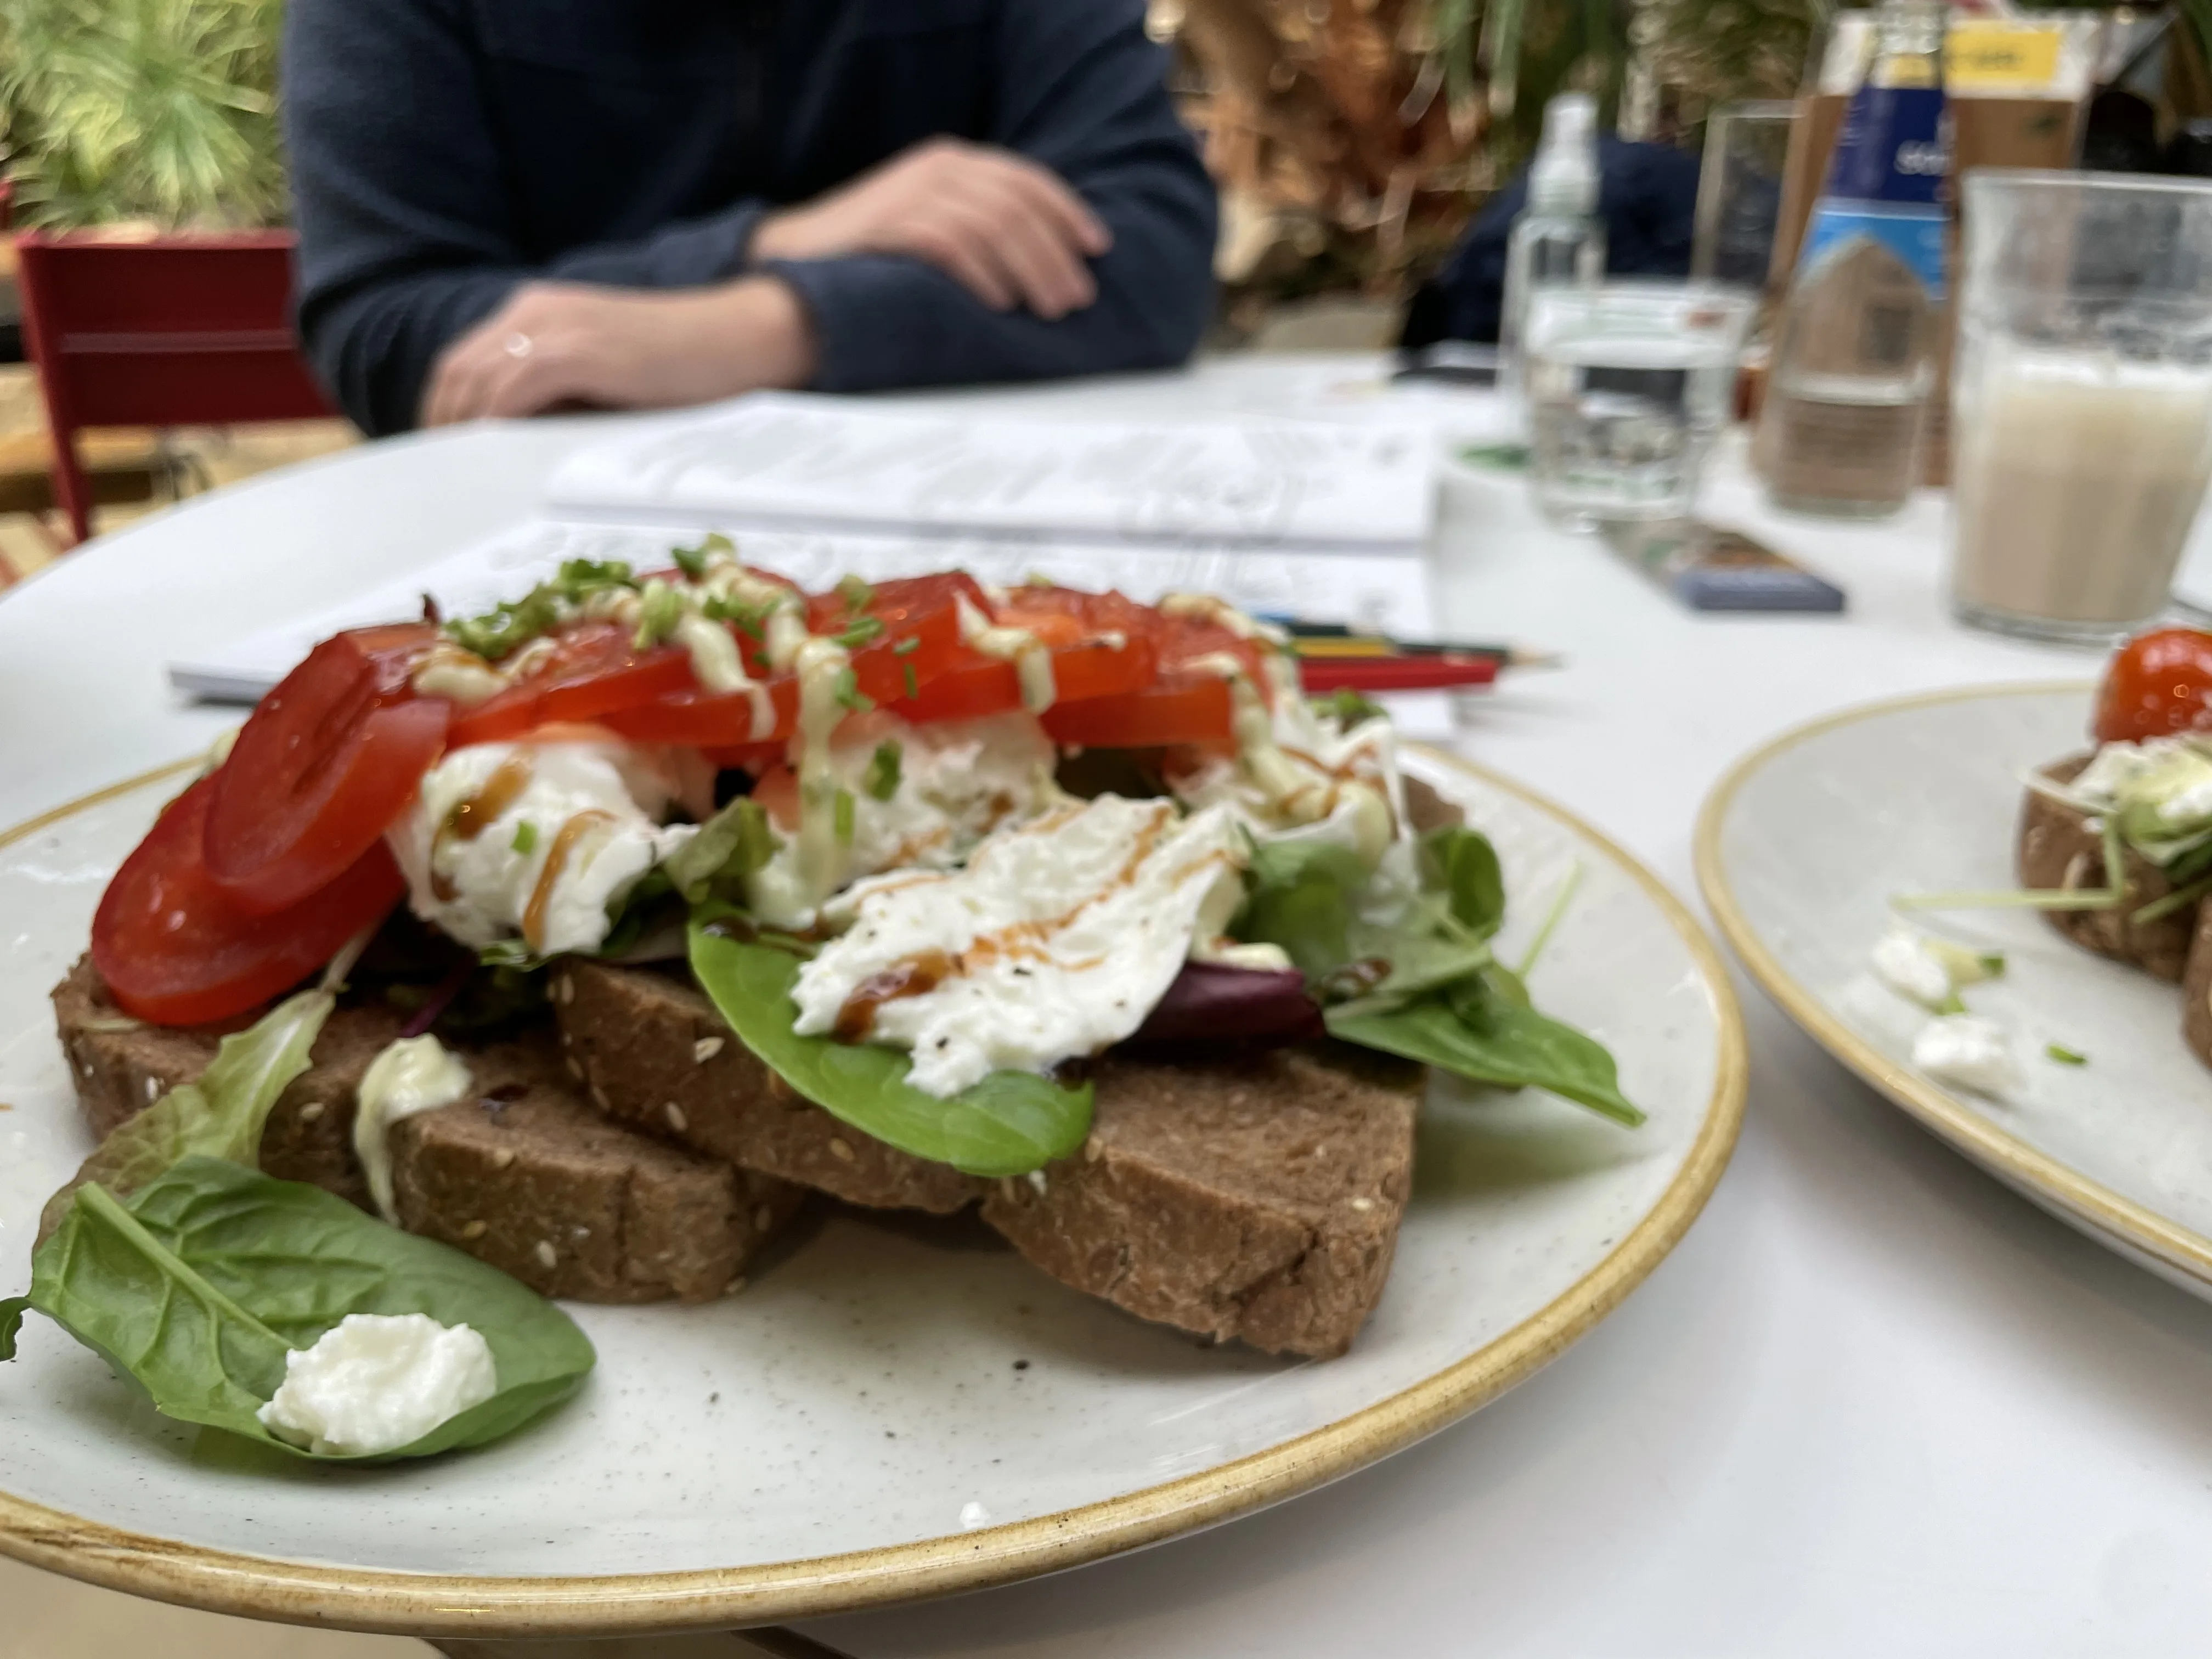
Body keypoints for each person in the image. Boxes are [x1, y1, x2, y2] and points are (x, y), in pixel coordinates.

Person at [281, 0, 1220, 437]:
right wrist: (780, 240)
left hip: (952, 523)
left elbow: (1155, 255)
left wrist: (757, 328)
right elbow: (389, 334)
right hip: (525, 565)